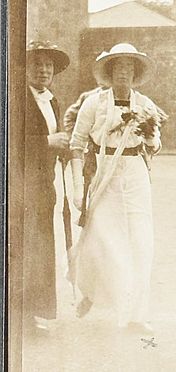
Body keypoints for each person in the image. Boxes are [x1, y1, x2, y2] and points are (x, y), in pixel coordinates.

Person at [70, 43, 167, 332]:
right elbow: (77, 144)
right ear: (109, 72)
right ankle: (90, 291)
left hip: (135, 174)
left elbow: (155, 146)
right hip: (104, 173)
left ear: (135, 73)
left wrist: (150, 137)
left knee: (141, 242)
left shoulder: (145, 104)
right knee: (99, 239)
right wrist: (78, 188)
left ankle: (136, 315)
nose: (123, 72)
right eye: (118, 67)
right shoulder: (94, 103)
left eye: (129, 67)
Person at [24, 40, 70, 331]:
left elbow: (54, 139)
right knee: (23, 250)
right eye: (37, 64)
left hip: (44, 188)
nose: (43, 70)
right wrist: (48, 143)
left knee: (40, 250)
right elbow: (11, 143)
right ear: (26, 67)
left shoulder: (52, 100)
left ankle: (30, 314)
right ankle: (16, 317)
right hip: (20, 189)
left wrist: (62, 148)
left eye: (48, 65)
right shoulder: (15, 99)